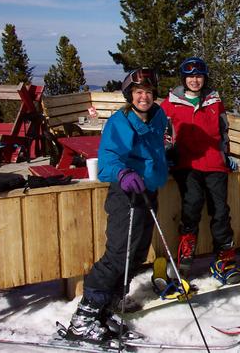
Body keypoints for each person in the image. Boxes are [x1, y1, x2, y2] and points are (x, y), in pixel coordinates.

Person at [66, 68, 173, 343]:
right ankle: (84, 316)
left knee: (136, 255)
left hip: (149, 191)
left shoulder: (158, 116)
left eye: (148, 92)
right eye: (138, 93)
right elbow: (109, 158)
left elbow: (156, 149)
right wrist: (123, 174)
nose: (144, 97)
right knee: (118, 256)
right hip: (126, 195)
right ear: (130, 95)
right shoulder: (120, 122)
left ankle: (108, 306)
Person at [160, 57, 240, 285]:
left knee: (221, 211)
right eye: (190, 76)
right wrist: (166, 155)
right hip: (187, 163)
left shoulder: (214, 101)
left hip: (214, 162)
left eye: (199, 76)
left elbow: (223, 130)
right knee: (192, 205)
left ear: (204, 78)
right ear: (183, 78)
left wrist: (226, 153)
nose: (195, 80)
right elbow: (163, 133)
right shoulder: (170, 103)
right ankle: (185, 256)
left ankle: (224, 260)